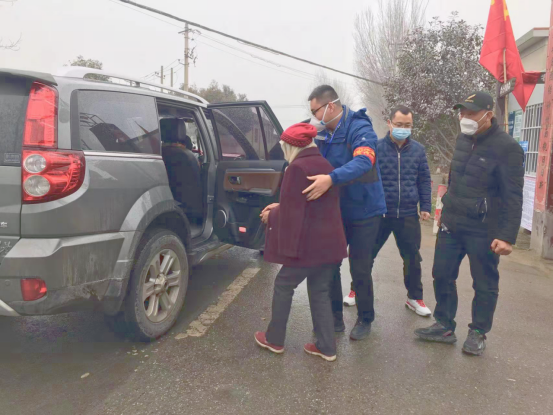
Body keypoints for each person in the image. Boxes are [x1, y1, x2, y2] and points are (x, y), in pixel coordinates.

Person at [415, 91, 524, 356]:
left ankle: (478, 332)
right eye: (462, 112)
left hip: (483, 228)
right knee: (442, 274)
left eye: (471, 113)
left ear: (489, 115)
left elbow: (513, 195)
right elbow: (456, 178)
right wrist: (446, 210)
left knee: (484, 283)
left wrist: (507, 236)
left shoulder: (507, 148)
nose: (464, 118)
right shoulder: (463, 139)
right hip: (452, 223)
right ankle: (444, 324)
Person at [255, 123, 347, 362]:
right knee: (320, 292)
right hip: (329, 245)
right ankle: (326, 347)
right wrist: (280, 206)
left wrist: (271, 215)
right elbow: (305, 202)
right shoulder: (324, 165)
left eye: (284, 146)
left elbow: (293, 213)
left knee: (283, 285)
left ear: (291, 146)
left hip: (308, 246)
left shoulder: (296, 167)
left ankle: (274, 340)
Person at [304, 85, 387, 340]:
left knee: (360, 267)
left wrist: (331, 179)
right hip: (337, 210)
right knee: (330, 264)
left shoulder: (359, 127)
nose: (313, 117)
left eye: (315, 111)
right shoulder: (322, 133)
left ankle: (365, 318)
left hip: (365, 211)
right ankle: (334, 318)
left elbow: (364, 161)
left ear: (330, 106)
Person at [343, 106, 432, 318]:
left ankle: (415, 297)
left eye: (407, 125)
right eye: (399, 124)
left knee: (412, 258)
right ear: (389, 123)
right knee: (365, 256)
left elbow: (424, 179)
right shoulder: (376, 147)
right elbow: (365, 177)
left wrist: (425, 207)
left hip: (408, 213)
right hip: (380, 213)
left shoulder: (418, 150)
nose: (403, 128)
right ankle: (356, 290)